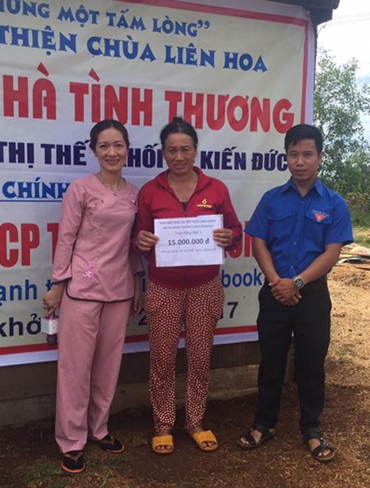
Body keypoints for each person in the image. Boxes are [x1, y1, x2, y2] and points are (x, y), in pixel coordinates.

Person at [236, 124, 353, 463]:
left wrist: (297, 283)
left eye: (307, 154)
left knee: (311, 364)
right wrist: (278, 282)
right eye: (293, 154)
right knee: (270, 362)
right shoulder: (271, 199)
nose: (300, 161)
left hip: (312, 297)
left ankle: (312, 429)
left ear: (320, 157)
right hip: (274, 293)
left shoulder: (334, 204)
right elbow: (258, 242)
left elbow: (332, 253)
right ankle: (264, 424)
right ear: (286, 157)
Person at [133, 117, 242, 455]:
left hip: (204, 286)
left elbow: (236, 231)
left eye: (185, 149)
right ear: (163, 153)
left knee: (200, 356)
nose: (178, 156)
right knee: (162, 359)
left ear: (195, 150)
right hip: (163, 286)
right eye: (171, 150)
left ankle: (195, 421)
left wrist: (229, 237)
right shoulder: (150, 191)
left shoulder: (216, 189)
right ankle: (163, 423)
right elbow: (139, 239)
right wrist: (142, 241)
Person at [42, 119, 143, 474]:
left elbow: (132, 244)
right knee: (75, 368)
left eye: (118, 145)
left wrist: (138, 282)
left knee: (107, 367)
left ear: (127, 149)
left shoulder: (134, 194)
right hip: (82, 290)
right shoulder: (80, 190)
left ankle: (99, 429)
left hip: (119, 290)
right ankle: (71, 441)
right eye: (104, 146)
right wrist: (58, 285)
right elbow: (66, 238)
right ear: (94, 151)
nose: (112, 152)